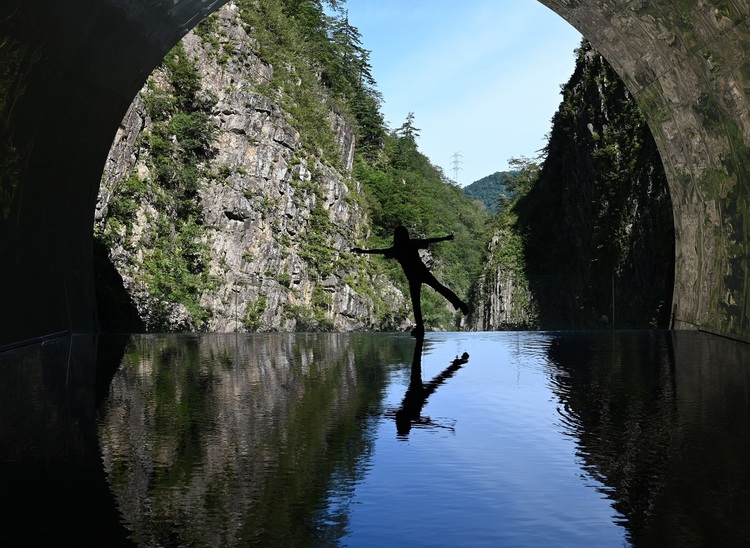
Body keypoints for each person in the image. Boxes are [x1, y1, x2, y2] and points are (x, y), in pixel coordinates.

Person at [352, 225, 469, 336]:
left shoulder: (396, 249)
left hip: (413, 278)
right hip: (423, 272)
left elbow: (378, 251)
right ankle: (460, 304)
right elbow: (430, 240)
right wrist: (445, 238)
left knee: (416, 304)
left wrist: (361, 251)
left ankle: (420, 328)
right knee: (439, 288)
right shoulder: (411, 243)